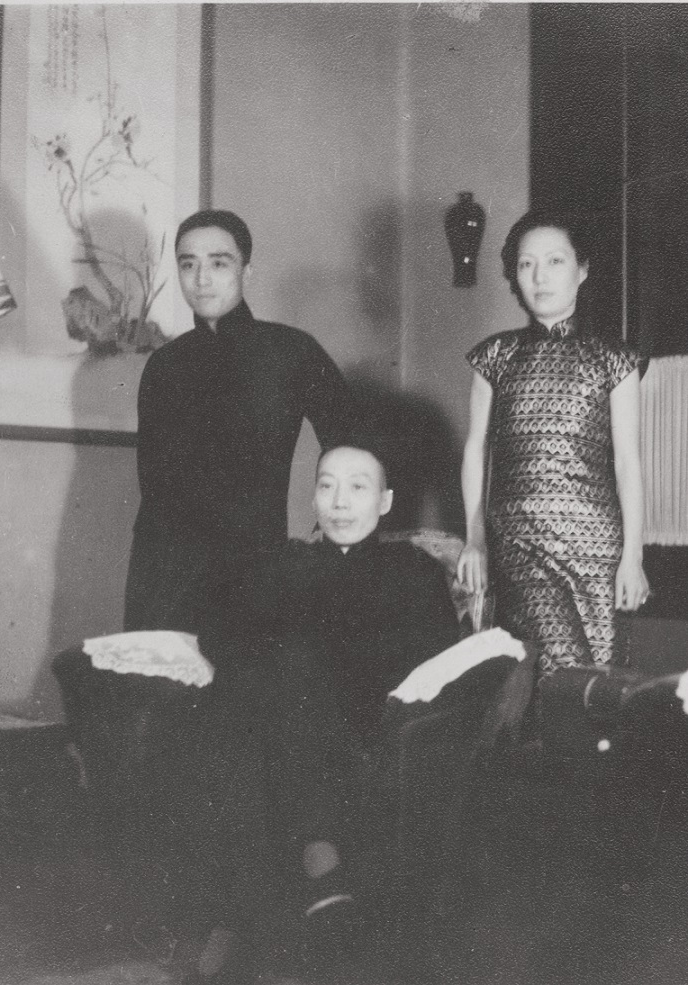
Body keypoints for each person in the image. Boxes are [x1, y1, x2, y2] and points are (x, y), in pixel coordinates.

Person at [185, 441, 461, 982]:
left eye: (357, 487)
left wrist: (321, 656)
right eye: (326, 486)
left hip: (364, 721)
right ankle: (313, 864)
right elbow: (220, 637)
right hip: (283, 715)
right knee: (267, 686)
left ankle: (239, 911)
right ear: (312, 498)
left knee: (283, 678)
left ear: (384, 502)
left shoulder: (411, 570)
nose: (339, 501)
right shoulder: (286, 564)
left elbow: (431, 656)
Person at [124, 209, 351, 633]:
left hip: (254, 572)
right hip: (165, 576)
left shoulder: (291, 351)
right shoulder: (164, 365)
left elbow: (351, 444)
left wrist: (331, 529)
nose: (201, 279)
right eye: (188, 264)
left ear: (247, 270)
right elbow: (153, 486)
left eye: (218, 263)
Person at [457, 208, 650, 673]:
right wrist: (475, 539)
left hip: (597, 548)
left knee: (597, 681)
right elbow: (476, 450)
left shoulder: (615, 360)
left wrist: (633, 556)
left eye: (555, 261)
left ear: (582, 270)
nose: (539, 276)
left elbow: (627, 462)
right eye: (526, 264)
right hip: (519, 540)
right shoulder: (495, 355)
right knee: (559, 666)